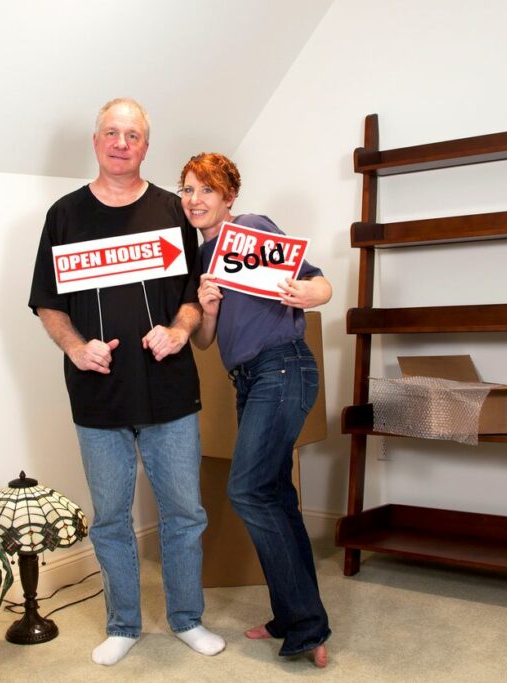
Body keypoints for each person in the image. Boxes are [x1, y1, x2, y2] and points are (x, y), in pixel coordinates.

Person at [28, 99, 225, 666]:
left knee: (185, 514)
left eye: (132, 135)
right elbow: (47, 303)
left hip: (169, 391)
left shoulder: (174, 209)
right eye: (111, 133)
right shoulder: (63, 215)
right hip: (97, 394)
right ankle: (123, 624)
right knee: (111, 517)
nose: (121, 143)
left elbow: (196, 296)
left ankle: (187, 619)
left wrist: (180, 329)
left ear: (146, 145)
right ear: (96, 141)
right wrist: (73, 346)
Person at [180, 152, 332, 668]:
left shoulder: (250, 229)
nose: (194, 200)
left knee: (247, 489)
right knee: (274, 495)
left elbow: (322, 286)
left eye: (205, 190)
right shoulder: (202, 260)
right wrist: (210, 308)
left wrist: (303, 291)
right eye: (187, 190)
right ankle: (292, 616)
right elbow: (203, 342)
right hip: (247, 379)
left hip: (284, 367)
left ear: (228, 198)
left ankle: (307, 623)